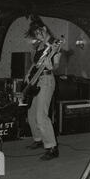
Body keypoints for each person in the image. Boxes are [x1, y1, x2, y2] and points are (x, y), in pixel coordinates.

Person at [24, 16, 61, 161]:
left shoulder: (54, 44)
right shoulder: (40, 46)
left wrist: (52, 67)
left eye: (39, 33)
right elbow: (35, 63)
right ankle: (39, 139)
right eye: (36, 35)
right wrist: (28, 73)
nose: (38, 36)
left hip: (46, 80)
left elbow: (57, 65)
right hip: (36, 80)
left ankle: (52, 147)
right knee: (31, 113)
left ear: (44, 29)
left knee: (41, 115)